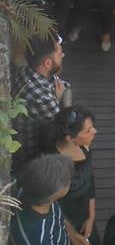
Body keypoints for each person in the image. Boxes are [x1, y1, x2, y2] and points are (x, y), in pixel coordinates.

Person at [8, 154, 99, 245]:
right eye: (67, 180)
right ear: (55, 194)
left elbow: (58, 217)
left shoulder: (29, 190)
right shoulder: (39, 242)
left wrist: (75, 237)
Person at [38, 106, 99, 245]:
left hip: (85, 215)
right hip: (65, 223)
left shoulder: (84, 147)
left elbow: (90, 181)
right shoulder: (53, 164)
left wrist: (91, 216)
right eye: (88, 130)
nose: (95, 132)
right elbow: (51, 205)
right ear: (70, 138)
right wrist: (73, 235)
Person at [11, 34, 70, 166]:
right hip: (32, 153)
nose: (63, 55)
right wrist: (58, 98)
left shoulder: (27, 70)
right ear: (47, 63)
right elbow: (64, 125)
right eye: (60, 54)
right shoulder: (42, 97)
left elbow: (65, 86)